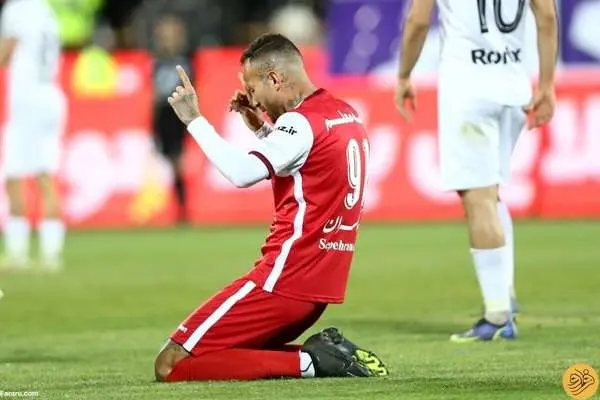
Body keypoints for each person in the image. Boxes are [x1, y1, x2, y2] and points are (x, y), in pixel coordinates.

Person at [153, 33, 388, 381]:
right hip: (317, 289)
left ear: (275, 79)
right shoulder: (345, 113)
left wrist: (194, 120)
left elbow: (242, 173)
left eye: (252, 88)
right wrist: (262, 129)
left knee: (171, 363)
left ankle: (315, 362)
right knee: (230, 353)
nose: (253, 99)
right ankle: (328, 355)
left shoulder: (300, 122)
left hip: (282, 282)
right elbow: (309, 164)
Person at [396, 0, 558, 342]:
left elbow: (418, 21)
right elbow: (546, 15)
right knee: (491, 194)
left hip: (469, 92)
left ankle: (497, 317)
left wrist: (404, 74)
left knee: (478, 199)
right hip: (514, 89)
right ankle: (505, 298)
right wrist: (546, 84)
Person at [0, 0, 67, 270]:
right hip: (51, 94)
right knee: (45, 175)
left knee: (13, 175)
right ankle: (51, 255)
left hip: (26, 98)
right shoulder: (46, 10)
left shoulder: (15, 9)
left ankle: (17, 253)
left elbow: (7, 51)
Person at [151, 14, 192, 223]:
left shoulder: (185, 60)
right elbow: (154, 92)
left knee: (176, 159)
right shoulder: (157, 62)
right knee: (165, 158)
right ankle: (171, 204)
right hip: (162, 112)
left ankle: (182, 206)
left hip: (177, 113)